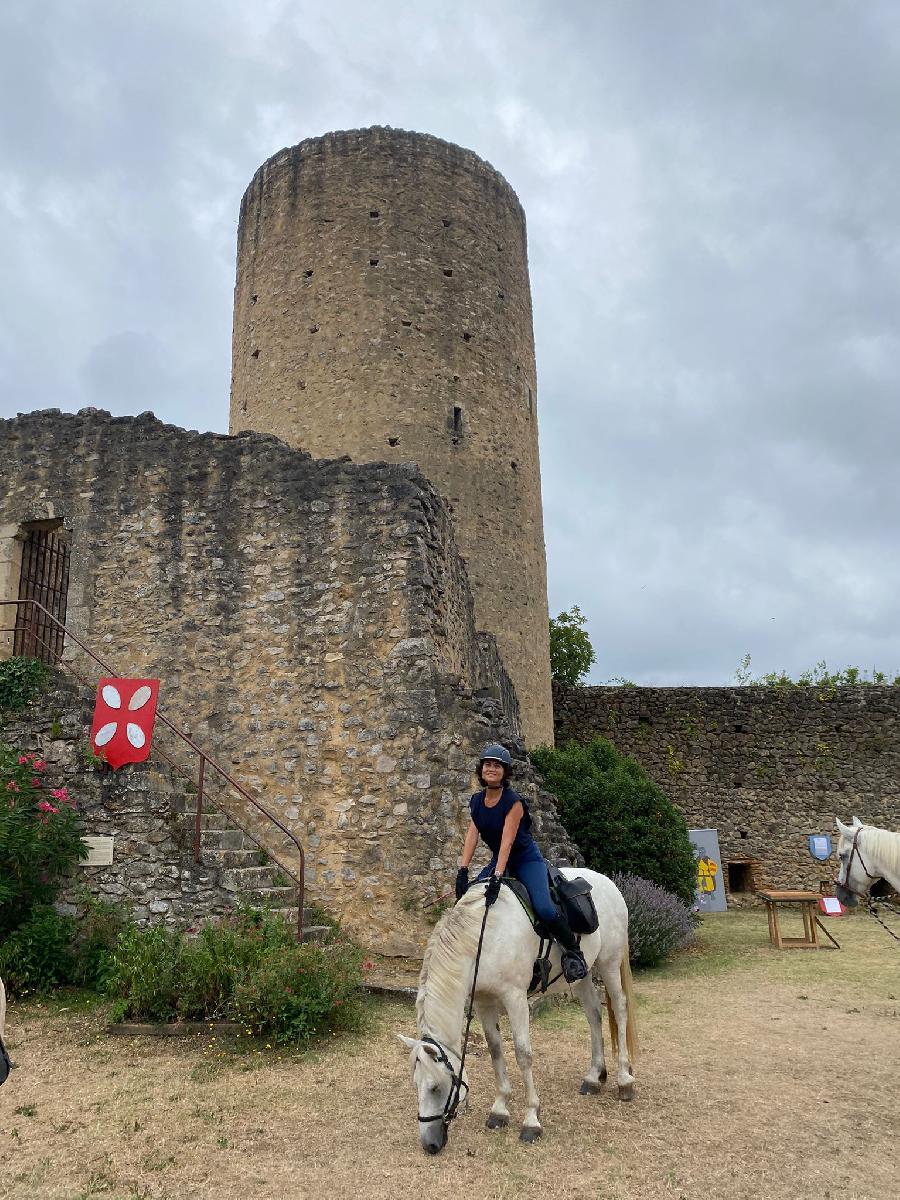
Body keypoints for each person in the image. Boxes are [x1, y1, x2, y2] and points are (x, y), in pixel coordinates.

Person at [455, 743, 588, 983]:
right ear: (481, 769)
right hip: (500, 860)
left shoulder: (513, 802)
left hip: (526, 859)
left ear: (505, 772)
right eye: (487, 764)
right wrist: (463, 871)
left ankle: (574, 954)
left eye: (497, 765)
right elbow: (472, 836)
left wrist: (496, 876)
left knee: (545, 908)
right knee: (469, 900)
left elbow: (507, 843)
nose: (491, 769)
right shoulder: (476, 801)